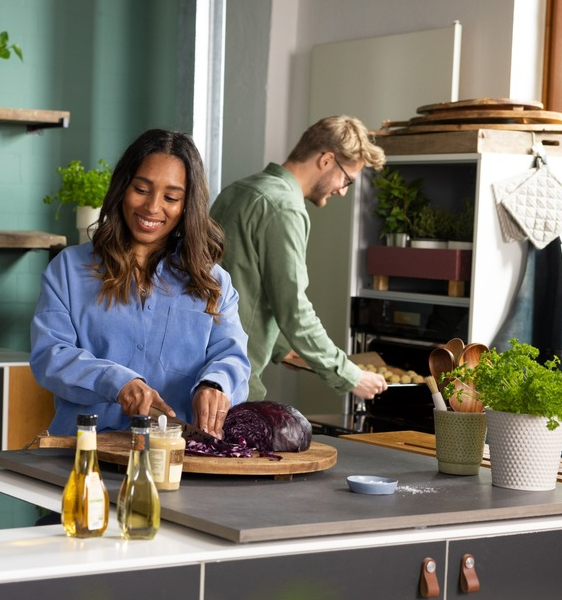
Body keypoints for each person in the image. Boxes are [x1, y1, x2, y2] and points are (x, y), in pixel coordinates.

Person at [31, 129, 251, 437]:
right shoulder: (68, 269)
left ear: (187, 205)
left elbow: (232, 356)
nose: (152, 207)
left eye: (171, 197)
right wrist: (116, 382)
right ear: (122, 187)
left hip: (175, 459)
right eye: (141, 189)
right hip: (83, 455)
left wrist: (215, 384)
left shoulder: (214, 282)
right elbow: (50, 355)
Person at [211, 115, 388, 401]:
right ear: (327, 160)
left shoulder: (239, 190)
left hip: (202, 367)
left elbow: (239, 280)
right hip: (234, 380)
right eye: (347, 180)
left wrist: (281, 346)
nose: (343, 191)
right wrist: (350, 376)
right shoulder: (285, 208)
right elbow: (294, 310)